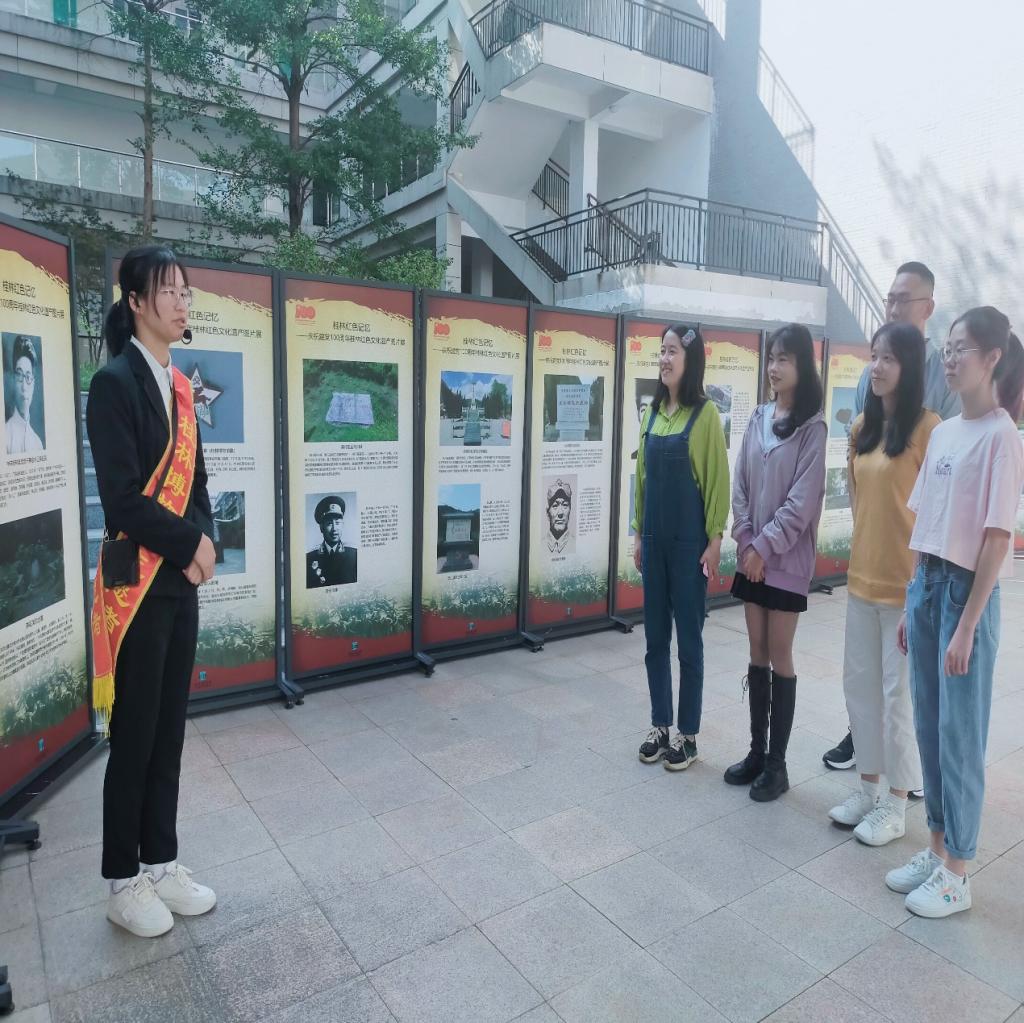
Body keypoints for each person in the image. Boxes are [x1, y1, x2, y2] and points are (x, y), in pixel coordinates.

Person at [87, 245, 217, 938]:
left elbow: (199, 484)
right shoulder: (113, 384)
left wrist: (206, 541)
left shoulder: (181, 388)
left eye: (185, 290)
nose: (181, 301)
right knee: (134, 736)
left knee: (169, 731)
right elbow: (123, 500)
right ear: (135, 301)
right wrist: (190, 544)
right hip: (136, 586)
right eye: (168, 290)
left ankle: (161, 861)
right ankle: (122, 878)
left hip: (178, 585)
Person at [887, 307, 1024, 918]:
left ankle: (959, 872)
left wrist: (967, 625)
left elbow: (996, 539)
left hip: (967, 593)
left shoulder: (1002, 436)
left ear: (993, 358)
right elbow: (928, 523)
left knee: (960, 735)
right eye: (946, 346)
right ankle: (937, 848)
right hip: (928, 585)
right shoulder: (943, 433)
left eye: (961, 347)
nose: (949, 356)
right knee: (929, 725)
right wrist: (911, 598)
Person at [824, 260, 959, 771]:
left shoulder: (938, 389)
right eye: (890, 298)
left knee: (903, 681)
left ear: (927, 307)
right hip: (870, 560)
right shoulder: (868, 387)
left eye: (904, 299)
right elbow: (862, 468)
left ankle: (908, 772)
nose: (894, 306)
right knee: (866, 676)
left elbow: (944, 476)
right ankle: (868, 756)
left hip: (916, 562)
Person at [826, 323, 939, 844]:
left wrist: (921, 586)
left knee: (898, 701)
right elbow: (858, 502)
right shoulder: (863, 427)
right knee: (861, 692)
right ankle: (867, 790)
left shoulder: (930, 429)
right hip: (861, 583)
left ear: (909, 366)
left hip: (905, 588)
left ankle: (897, 804)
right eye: (874, 356)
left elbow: (934, 514)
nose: (877, 366)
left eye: (889, 358)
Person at [725, 323, 827, 801]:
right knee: (756, 651)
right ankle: (756, 753)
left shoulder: (813, 427)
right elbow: (741, 484)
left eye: (784, 358)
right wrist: (746, 541)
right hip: (752, 557)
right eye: (771, 358)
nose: (774, 367)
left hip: (784, 561)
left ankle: (778, 765)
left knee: (780, 653)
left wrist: (762, 549)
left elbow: (801, 504)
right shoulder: (758, 417)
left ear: (803, 365)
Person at [634, 324, 729, 771]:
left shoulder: (705, 415)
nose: (665, 359)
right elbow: (641, 480)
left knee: (689, 642)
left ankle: (688, 735)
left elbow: (717, 482)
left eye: (672, 351)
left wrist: (715, 540)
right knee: (655, 640)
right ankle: (660, 725)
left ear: (691, 360)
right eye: (661, 351)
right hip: (653, 543)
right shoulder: (652, 415)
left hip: (690, 546)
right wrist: (638, 534)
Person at [5, 334, 44, 454]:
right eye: (19, 375)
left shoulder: (37, 442)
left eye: (27, 376)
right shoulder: (5, 435)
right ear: (13, 379)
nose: (24, 387)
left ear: (33, 383)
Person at [307, 495, 358, 586]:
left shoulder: (353, 554)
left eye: (337, 523)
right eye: (329, 523)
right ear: (321, 528)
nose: (335, 529)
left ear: (342, 525)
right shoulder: (310, 557)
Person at [545, 480, 573, 554]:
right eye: (555, 505)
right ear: (547, 513)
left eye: (565, 505)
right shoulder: (538, 545)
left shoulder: (576, 543)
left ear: (570, 510)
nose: (560, 513)